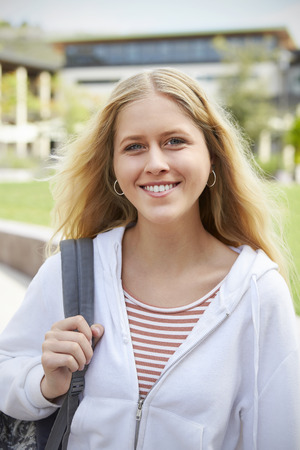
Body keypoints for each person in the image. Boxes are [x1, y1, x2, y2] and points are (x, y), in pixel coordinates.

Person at [0, 68, 299, 450]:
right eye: (134, 146)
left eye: (175, 141)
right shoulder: (71, 271)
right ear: (114, 166)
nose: (155, 162)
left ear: (212, 157)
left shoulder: (257, 293)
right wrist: (44, 384)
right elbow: (6, 368)